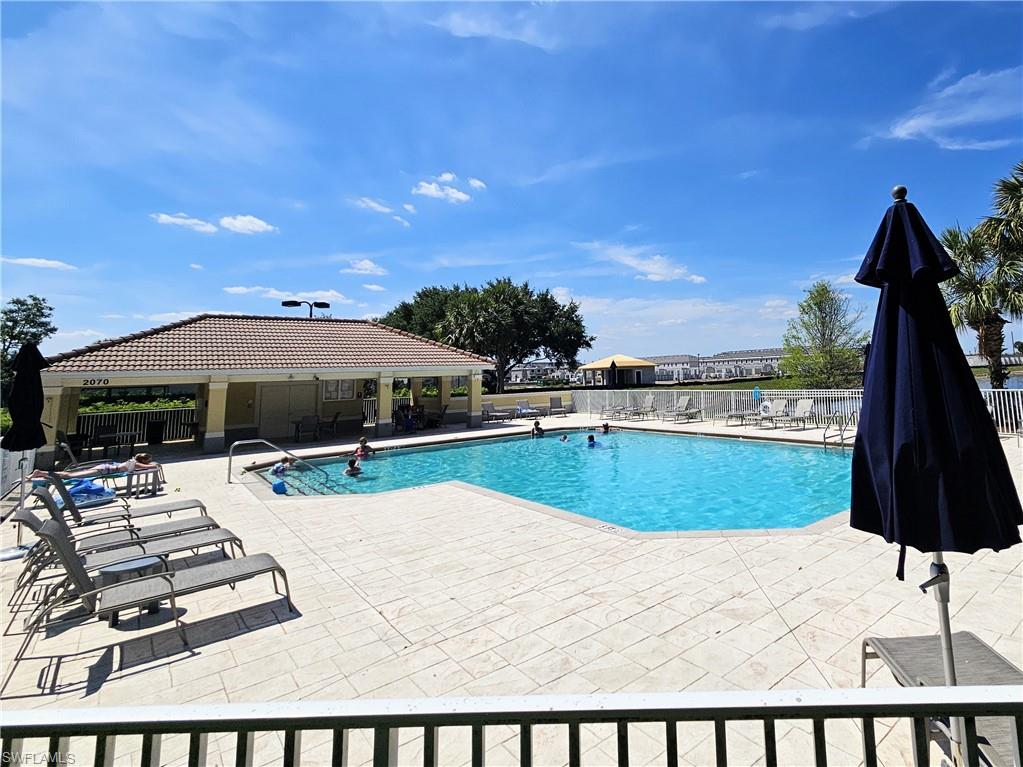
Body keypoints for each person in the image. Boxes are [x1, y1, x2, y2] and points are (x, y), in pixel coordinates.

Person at [30, 453, 159, 480]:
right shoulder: (135, 464)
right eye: (149, 460)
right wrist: (155, 464)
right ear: (144, 460)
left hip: (104, 467)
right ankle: (41, 473)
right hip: (103, 470)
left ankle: (42, 473)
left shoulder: (131, 461)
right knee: (70, 476)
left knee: (72, 475)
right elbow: (150, 467)